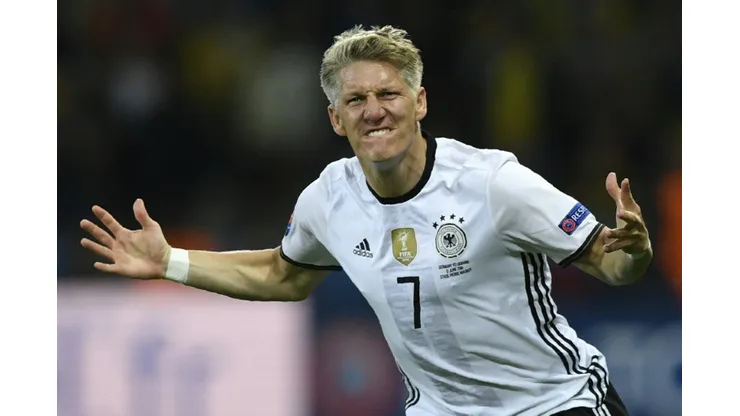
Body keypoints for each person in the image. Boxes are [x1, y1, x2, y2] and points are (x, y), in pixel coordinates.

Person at [80, 25, 651, 416]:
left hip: (553, 404)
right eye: (356, 101)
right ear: (335, 118)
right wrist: (171, 262)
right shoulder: (328, 200)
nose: (374, 111)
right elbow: (283, 274)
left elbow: (611, 264)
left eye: (388, 94)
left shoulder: (494, 183)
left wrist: (634, 251)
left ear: (420, 102)